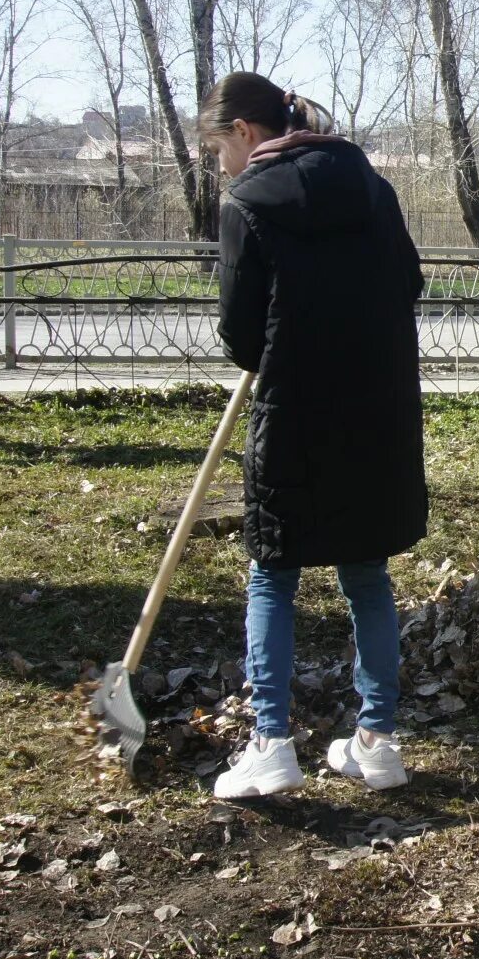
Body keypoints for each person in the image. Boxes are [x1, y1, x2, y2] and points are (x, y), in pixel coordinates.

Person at [202, 73, 428, 800]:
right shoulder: (374, 189)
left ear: (243, 133)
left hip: (295, 412)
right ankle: (379, 741)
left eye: (218, 147)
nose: (220, 164)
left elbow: (240, 336)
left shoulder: (244, 205)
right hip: (377, 412)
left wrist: (285, 328)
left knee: (274, 572)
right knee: (367, 574)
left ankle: (270, 742)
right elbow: (410, 284)